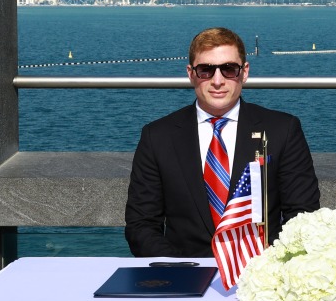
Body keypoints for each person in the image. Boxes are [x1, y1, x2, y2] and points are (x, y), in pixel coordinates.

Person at [125, 27, 320, 257]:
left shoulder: (282, 130)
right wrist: (178, 269)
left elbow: (302, 216)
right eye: (206, 70)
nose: (218, 81)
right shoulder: (157, 136)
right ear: (191, 74)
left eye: (229, 69)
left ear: (244, 72)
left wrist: (273, 266)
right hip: (185, 276)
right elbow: (141, 225)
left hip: (260, 276)